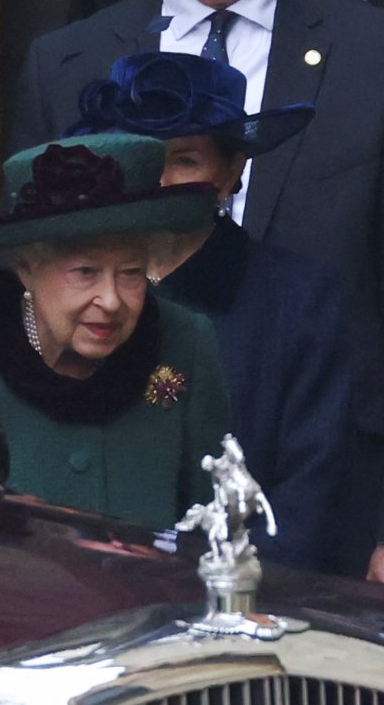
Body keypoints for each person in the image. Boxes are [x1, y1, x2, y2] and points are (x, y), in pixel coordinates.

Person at [8, 0, 384, 586]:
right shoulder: (66, 62)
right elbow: (28, 294)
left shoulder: (382, 59)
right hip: (110, 512)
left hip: (333, 503)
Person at [65, 51, 352, 572]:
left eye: (185, 159)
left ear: (231, 172)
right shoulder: (61, 292)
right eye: (141, 155)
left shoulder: (301, 300)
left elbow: (310, 496)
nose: (158, 180)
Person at [0, 133, 230, 528]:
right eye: (85, 272)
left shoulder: (185, 341)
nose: (112, 300)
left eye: (131, 273)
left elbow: (212, 526)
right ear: (27, 268)